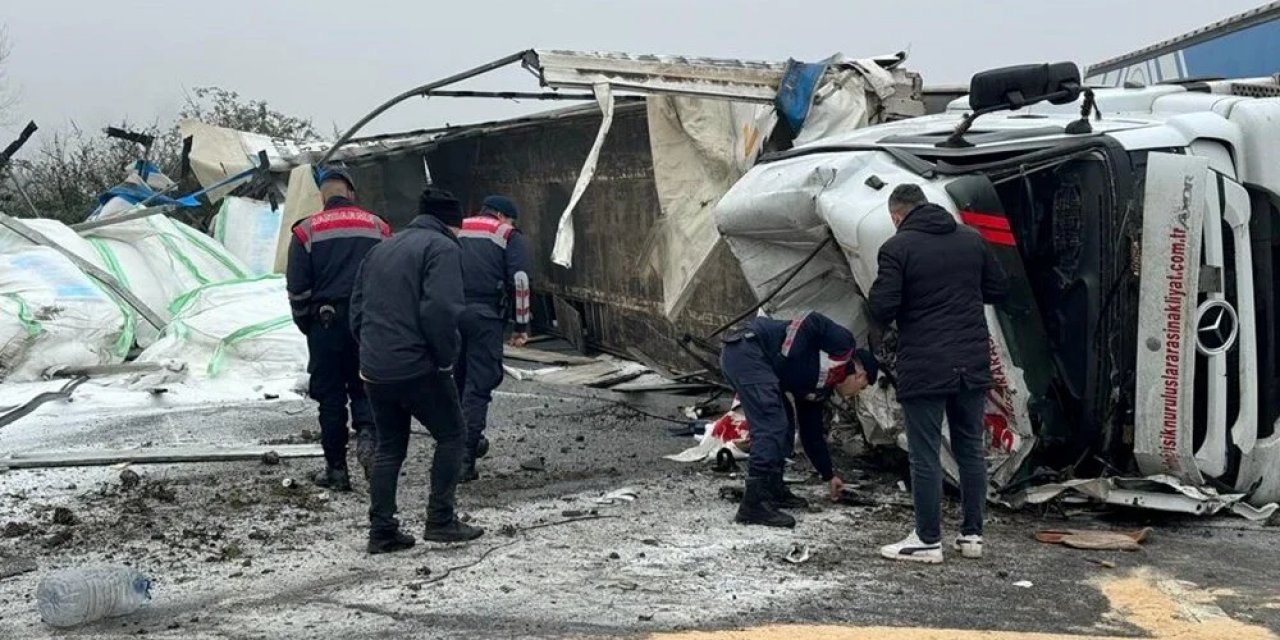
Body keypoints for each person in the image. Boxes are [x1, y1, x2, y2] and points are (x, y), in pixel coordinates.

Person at [867, 183, 1009, 564]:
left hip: (925, 363)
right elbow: (998, 289)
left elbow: (883, 306)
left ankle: (928, 539)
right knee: (970, 449)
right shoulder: (971, 239)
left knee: (925, 452)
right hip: (971, 362)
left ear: (897, 215)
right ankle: (971, 535)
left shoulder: (897, 248)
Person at [350, 187, 485, 554]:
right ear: (451, 224)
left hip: (376, 368)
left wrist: (370, 352)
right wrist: (445, 359)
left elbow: (357, 309)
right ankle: (441, 520)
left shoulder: (381, 248)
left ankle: (382, 530)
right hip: (418, 366)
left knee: (390, 446)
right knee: (453, 435)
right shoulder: (441, 248)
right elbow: (440, 310)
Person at [720, 311, 878, 528]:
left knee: (784, 423)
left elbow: (811, 433)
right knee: (771, 423)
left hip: (757, 364)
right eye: (860, 388)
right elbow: (811, 321)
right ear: (861, 375)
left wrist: (829, 475)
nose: (853, 395)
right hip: (748, 351)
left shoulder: (820, 389)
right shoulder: (843, 346)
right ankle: (753, 504)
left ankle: (773, 489)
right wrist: (787, 359)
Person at [285, 166, 389, 492]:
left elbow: (297, 288)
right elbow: (390, 275)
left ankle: (337, 470)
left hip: (325, 323)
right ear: (351, 192)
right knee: (366, 387)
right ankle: (369, 445)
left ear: (322, 195)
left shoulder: (305, 232)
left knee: (330, 398)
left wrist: (308, 324)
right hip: (368, 322)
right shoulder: (379, 227)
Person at [455, 195, 532, 481]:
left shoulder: (455, 227)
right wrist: (521, 324)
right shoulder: (506, 234)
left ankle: (455, 445)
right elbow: (520, 280)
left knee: (455, 382)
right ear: (501, 215)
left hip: (448, 315)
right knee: (478, 385)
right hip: (485, 317)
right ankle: (464, 458)